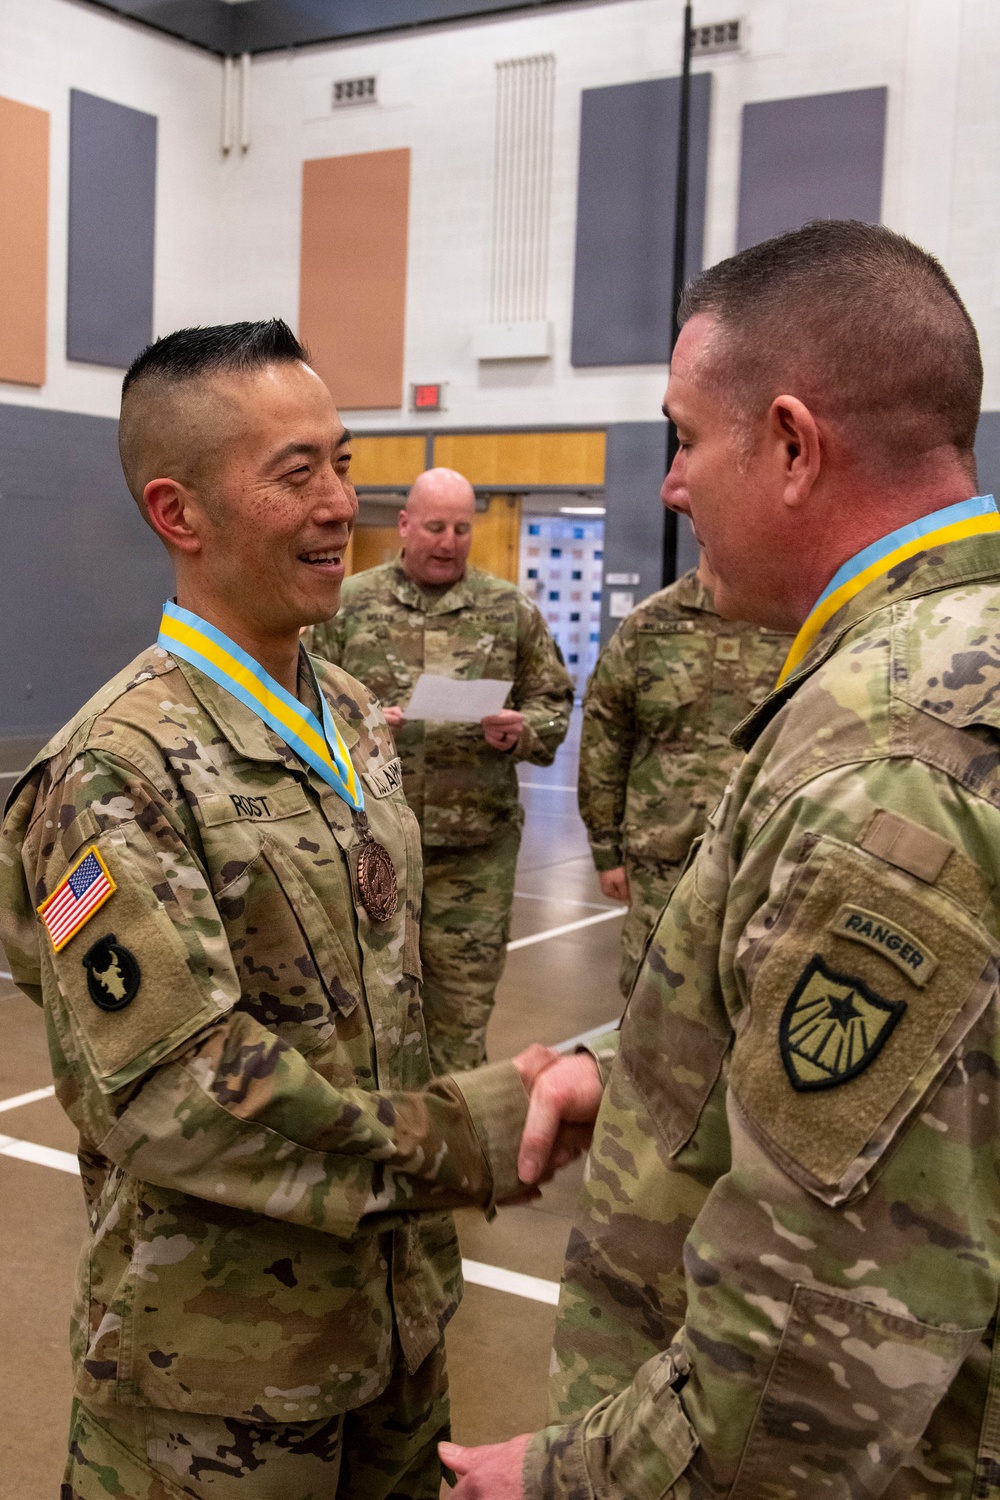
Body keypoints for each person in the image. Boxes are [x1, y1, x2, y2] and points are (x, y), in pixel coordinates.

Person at [439, 220, 1000, 1497]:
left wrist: (564, 1482)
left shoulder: (883, 768)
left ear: (794, 446)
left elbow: (818, 1350)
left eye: (686, 438)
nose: (671, 486)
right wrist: (638, 1069)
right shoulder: (949, 667)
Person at [0, 320, 580, 1500]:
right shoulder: (112, 771)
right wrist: (452, 1140)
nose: (338, 506)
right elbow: (172, 1089)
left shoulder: (356, 715)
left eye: (343, 463)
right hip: (213, 1384)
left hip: (394, 1331)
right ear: (180, 513)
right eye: (294, 473)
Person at [306, 469, 573, 1075]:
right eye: (435, 526)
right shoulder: (348, 606)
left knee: (459, 1021)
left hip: (473, 856)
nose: (448, 541)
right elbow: (298, 706)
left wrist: (521, 731)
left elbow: (554, 703)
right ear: (405, 525)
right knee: (365, 1019)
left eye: (461, 528)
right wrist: (360, 731)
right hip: (368, 852)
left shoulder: (510, 611)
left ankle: (455, 1152)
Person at [579, 551, 791, 995]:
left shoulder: (793, 621)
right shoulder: (649, 624)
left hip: (764, 857)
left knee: (754, 991)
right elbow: (605, 737)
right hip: (662, 856)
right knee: (650, 994)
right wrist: (606, 849)